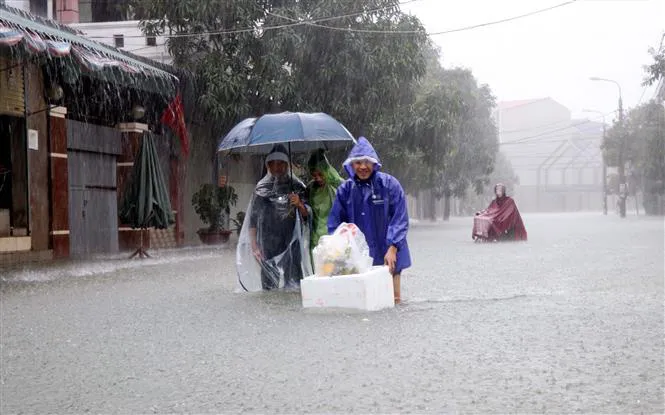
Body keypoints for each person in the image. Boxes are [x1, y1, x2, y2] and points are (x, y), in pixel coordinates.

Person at [328, 137, 411, 304]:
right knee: (364, 301)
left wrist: (393, 247)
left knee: (394, 300)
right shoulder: (345, 190)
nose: (363, 167)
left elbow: (400, 218)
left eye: (367, 162)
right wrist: (339, 249)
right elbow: (336, 223)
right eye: (358, 162)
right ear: (351, 165)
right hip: (359, 255)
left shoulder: (390, 185)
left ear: (374, 163)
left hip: (390, 251)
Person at [247, 145, 310, 290]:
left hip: (291, 243)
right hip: (268, 242)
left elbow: (308, 217)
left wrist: (299, 204)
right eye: (274, 163)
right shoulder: (261, 188)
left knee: (294, 286)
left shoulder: (298, 186)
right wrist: (254, 246)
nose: (278, 167)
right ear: (268, 165)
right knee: (269, 288)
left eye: (281, 163)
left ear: (287, 165)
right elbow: (253, 219)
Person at [306, 149, 344, 254]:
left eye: (321, 174)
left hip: (334, 238)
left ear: (327, 170)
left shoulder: (337, 185)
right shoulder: (310, 188)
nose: (317, 178)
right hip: (315, 240)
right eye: (314, 175)